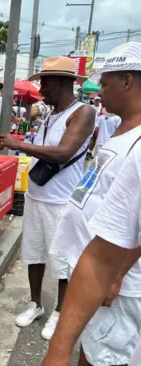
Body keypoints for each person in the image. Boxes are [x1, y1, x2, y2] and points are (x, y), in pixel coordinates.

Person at [43, 42, 141, 366]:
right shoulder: (121, 132)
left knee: (104, 358)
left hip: (116, 282)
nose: (100, 89)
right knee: (91, 348)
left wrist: (116, 275)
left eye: (106, 82)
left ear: (127, 81)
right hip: (92, 272)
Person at [0, 57, 96, 341]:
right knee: (34, 253)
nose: (41, 88)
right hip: (36, 197)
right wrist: (10, 144)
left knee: (63, 261)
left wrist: (20, 144)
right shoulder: (50, 114)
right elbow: (42, 149)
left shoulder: (83, 112)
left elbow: (64, 153)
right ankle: (36, 304)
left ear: (65, 83)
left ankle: (59, 312)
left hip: (61, 202)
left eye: (46, 82)